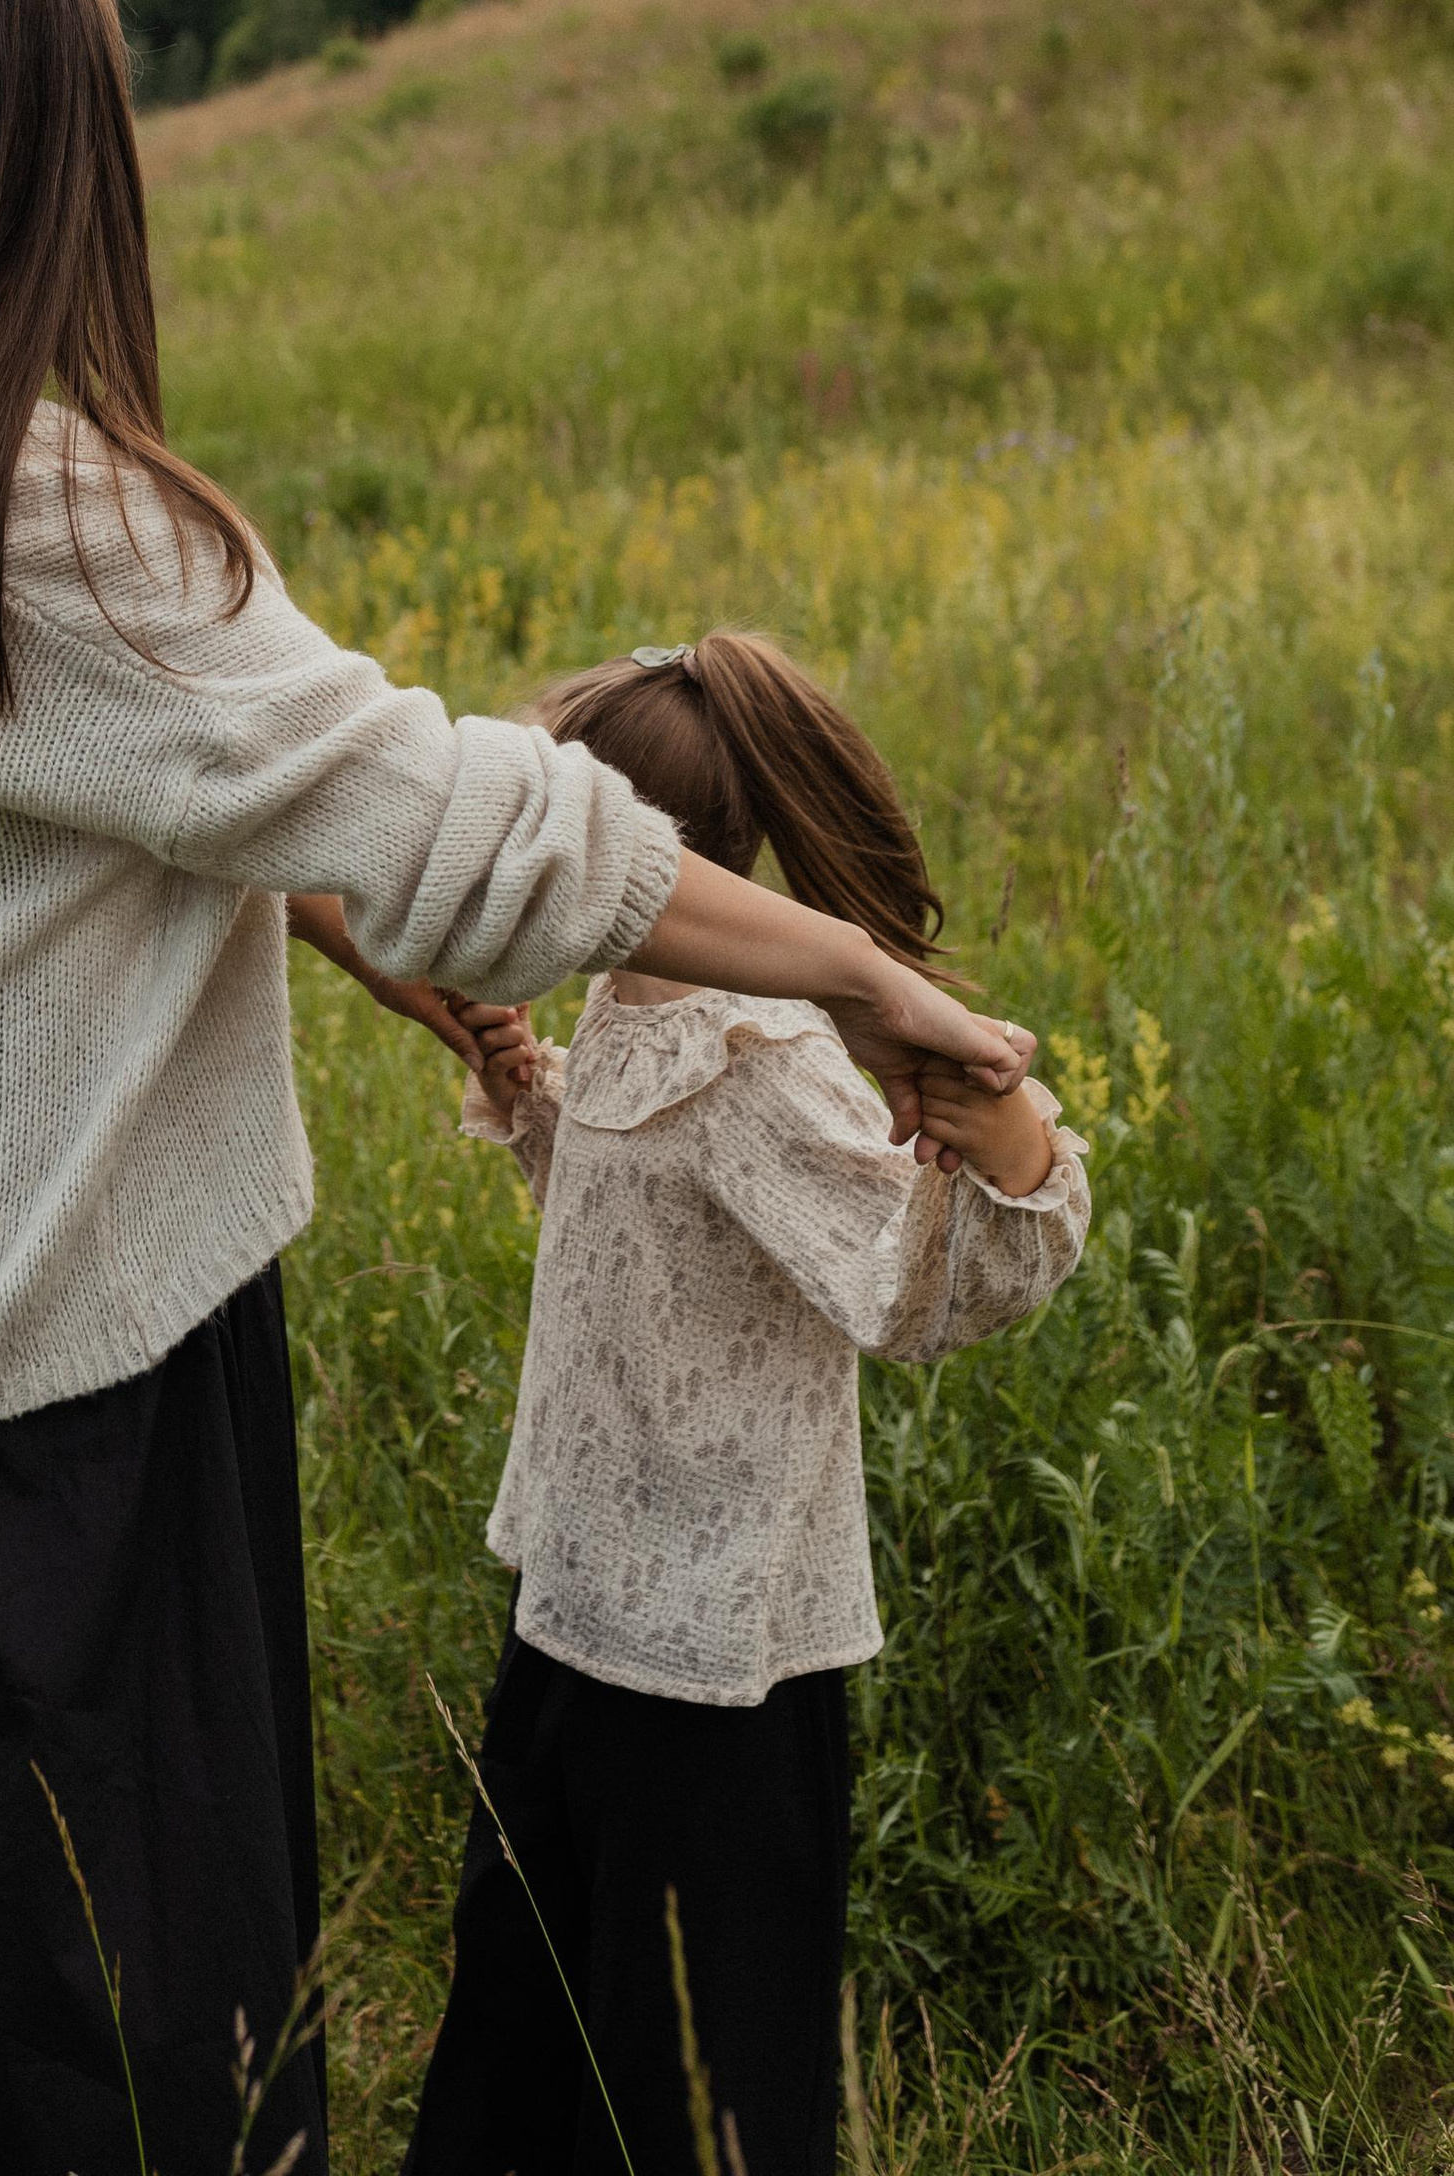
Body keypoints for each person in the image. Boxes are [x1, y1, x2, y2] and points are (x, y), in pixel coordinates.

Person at [0, 0, 1033, 2176]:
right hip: (30, 1411)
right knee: (100, 2048)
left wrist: (283, 906)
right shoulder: (24, 501)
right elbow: (450, 809)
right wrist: (851, 972)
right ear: (74, 171)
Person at [408, 634, 1089, 2176]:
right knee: (530, 2008)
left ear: (631, 865)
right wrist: (536, 1094)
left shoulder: (765, 1056)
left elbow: (905, 1292)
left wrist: (1024, 1163)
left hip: (721, 1667)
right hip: (577, 1609)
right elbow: (641, 1233)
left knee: (699, 2072)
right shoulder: (638, 1010)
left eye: (550, 848)